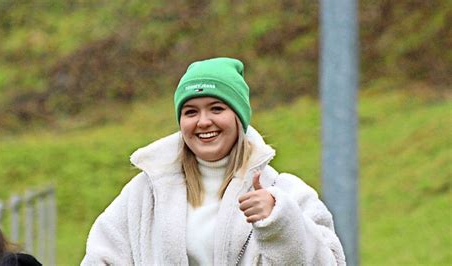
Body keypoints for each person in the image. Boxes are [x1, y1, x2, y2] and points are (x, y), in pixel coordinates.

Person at [82, 57, 345, 265]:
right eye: (190, 111)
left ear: (238, 118)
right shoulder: (145, 193)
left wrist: (280, 223)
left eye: (217, 108)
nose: (203, 121)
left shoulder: (284, 193)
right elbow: (100, 258)